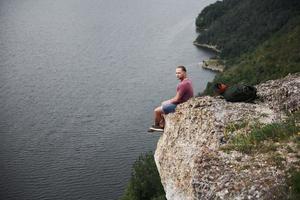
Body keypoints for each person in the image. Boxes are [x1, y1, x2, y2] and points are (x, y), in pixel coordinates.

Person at [148, 66, 194, 132]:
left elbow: (177, 99)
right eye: (176, 73)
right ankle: (162, 124)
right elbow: (178, 98)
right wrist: (167, 102)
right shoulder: (188, 81)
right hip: (185, 102)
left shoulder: (183, 84)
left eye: (179, 73)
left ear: (184, 72)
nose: (177, 75)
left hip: (181, 105)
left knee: (156, 111)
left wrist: (167, 102)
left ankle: (157, 126)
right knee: (163, 105)